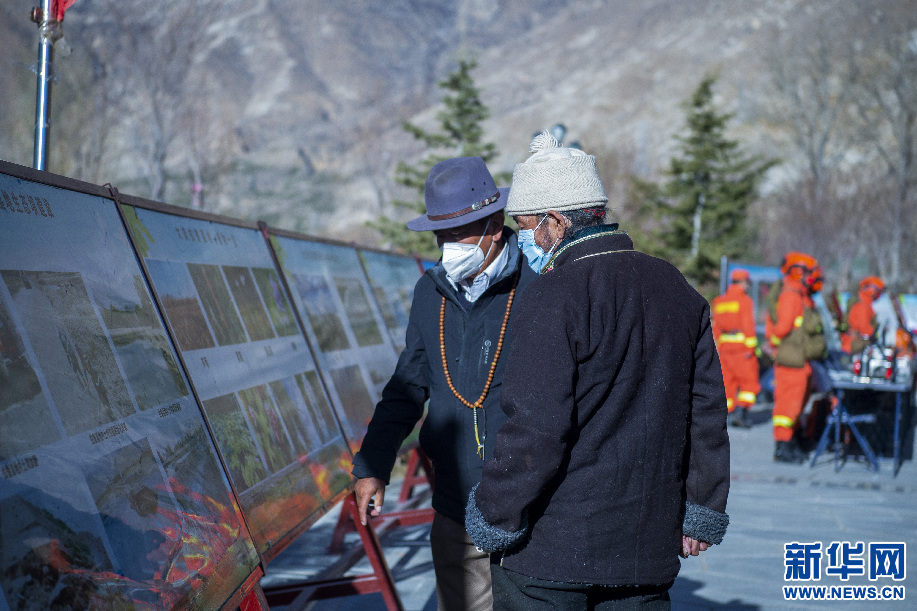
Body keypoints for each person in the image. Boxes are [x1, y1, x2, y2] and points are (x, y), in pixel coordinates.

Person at [464, 132, 730, 609]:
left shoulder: (553, 294)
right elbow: (706, 410)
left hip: (553, 551)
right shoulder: (674, 286)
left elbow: (535, 427)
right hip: (646, 548)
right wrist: (702, 506)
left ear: (556, 222)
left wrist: (494, 515)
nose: (523, 240)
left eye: (525, 226)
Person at [351, 156, 535, 611]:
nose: (449, 247)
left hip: (531, 507)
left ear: (495, 225)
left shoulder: (536, 290)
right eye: (441, 236)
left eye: (460, 233)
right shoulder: (429, 292)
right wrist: (372, 464)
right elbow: (407, 386)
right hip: (457, 507)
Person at [769, 252, 819, 463]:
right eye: (810, 273)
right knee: (787, 406)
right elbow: (782, 328)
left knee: (795, 405)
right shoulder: (791, 296)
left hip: (798, 359)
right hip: (791, 361)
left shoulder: (799, 295)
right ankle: (782, 447)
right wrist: (776, 344)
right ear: (799, 272)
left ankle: (790, 443)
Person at [712, 268, 760, 428]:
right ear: (743, 282)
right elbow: (748, 326)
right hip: (741, 349)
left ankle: (729, 415)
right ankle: (741, 413)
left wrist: (719, 347)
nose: (748, 286)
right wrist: (751, 349)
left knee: (727, 383)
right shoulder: (745, 301)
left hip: (725, 349)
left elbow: (716, 328)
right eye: (747, 283)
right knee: (749, 382)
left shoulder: (720, 301)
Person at [842, 276, 884, 354]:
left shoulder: (866, 304)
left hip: (857, 345)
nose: (879, 295)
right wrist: (874, 332)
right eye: (878, 291)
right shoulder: (862, 305)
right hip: (854, 347)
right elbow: (864, 329)